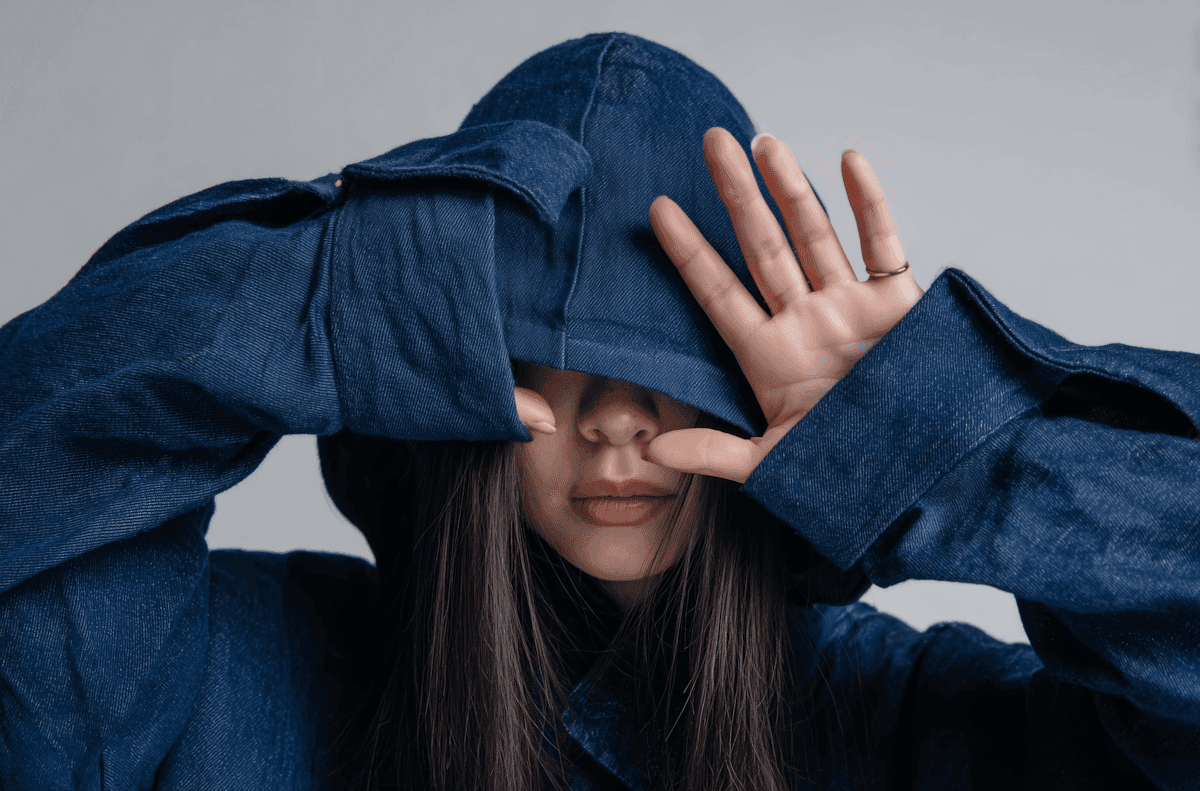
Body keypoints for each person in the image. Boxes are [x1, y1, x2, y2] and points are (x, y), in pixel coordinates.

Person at [0, 31, 1196, 790]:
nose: (618, 420)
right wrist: (344, 297)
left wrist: (943, 440)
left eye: (679, 355)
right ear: (444, 373)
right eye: (547, 355)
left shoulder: (907, 718)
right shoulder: (225, 667)